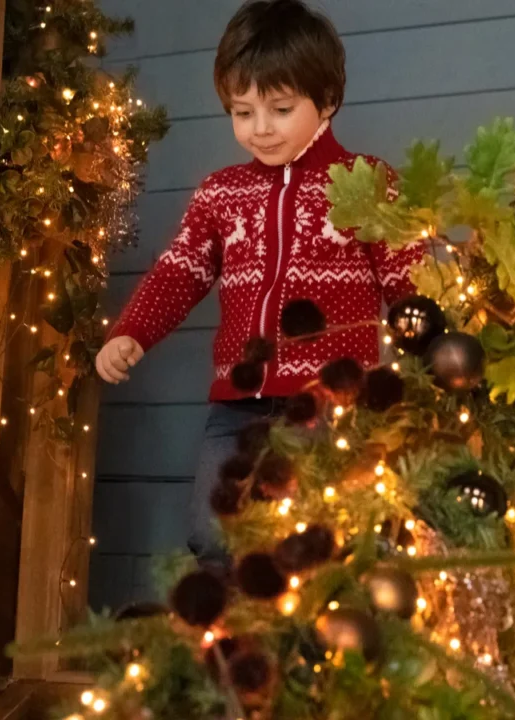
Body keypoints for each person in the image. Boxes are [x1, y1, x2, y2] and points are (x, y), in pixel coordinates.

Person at [96, 0, 422, 570]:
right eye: (242, 112)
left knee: (322, 539)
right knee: (213, 533)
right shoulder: (222, 194)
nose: (260, 128)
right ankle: (227, 651)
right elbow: (181, 269)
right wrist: (133, 332)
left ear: (327, 102)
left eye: (279, 108)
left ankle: (311, 653)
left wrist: (436, 341)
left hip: (329, 405)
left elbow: (408, 279)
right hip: (237, 408)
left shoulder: (365, 183)